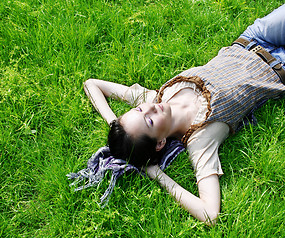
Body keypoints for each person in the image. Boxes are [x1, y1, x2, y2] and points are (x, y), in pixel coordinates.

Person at [82, 5, 285, 225]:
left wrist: (114, 122)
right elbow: (210, 214)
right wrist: (155, 173)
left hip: (254, 38)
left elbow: (92, 84)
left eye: (138, 110)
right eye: (148, 121)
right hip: (280, 68)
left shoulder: (153, 98)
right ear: (160, 142)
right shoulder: (201, 139)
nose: (150, 108)